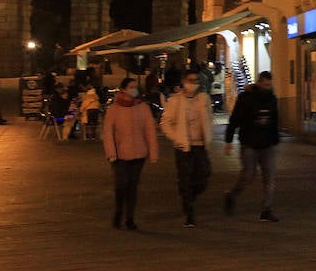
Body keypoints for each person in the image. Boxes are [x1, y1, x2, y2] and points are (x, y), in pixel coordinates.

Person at [102, 77, 160, 230]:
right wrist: (111, 152)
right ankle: (118, 212)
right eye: (131, 87)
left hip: (139, 153)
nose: (134, 89)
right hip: (119, 155)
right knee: (121, 184)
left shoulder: (142, 107)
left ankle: (130, 217)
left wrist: (153, 152)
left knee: (133, 186)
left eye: (135, 87)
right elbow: (108, 132)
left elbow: (150, 131)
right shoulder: (114, 109)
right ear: (123, 89)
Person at [223, 70, 281, 222]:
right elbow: (235, 119)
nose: (267, 87)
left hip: (267, 144)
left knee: (269, 177)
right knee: (248, 175)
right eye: (265, 84)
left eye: (270, 85)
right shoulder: (246, 98)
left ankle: (266, 209)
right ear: (259, 82)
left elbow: (275, 120)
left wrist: (275, 140)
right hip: (249, 143)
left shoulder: (272, 99)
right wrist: (228, 140)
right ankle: (232, 195)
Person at [161, 69, 213, 227]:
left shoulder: (203, 99)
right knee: (185, 177)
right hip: (183, 146)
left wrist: (208, 136)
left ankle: (189, 195)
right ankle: (189, 212)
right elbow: (165, 123)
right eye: (191, 80)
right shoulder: (175, 100)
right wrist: (176, 138)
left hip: (200, 145)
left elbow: (209, 119)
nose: (194, 84)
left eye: (196, 80)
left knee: (204, 175)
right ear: (184, 82)